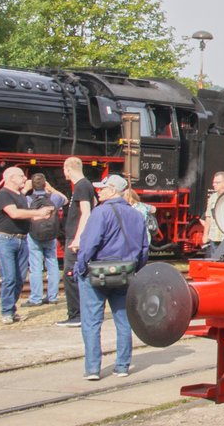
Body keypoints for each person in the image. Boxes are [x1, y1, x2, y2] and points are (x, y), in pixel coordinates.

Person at [75, 174, 150, 380]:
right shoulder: (137, 215)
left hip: (98, 273)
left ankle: (92, 368)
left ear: (113, 191)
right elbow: (144, 249)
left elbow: (89, 245)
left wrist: (81, 268)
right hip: (126, 274)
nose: (99, 192)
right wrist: (134, 268)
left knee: (92, 322)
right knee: (124, 321)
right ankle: (122, 366)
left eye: (103, 189)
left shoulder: (100, 213)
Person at [0, 166, 54, 324]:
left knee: (19, 278)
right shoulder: (3, 194)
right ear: (11, 178)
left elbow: (25, 217)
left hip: (21, 238)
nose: (24, 179)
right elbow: (14, 213)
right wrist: (38, 213)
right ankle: (6, 311)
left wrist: (45, 215)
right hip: (5, 239)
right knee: (9, 277)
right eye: (21, 176)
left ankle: (11, 310)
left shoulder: (20, 195)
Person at [58, 157, 97, 327]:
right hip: (76, 235)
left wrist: (78, 237)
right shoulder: (86, 185)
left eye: (64, 170)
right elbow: (95, 202)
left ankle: (76, 315)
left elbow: (86, 212)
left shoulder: (81, 185)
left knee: (70, 274)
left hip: (75, 236)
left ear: (67, 169)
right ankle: (80, 313)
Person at [24, 172, 67, 306]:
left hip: (34, 234)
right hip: (50, 234)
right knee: (52, 263)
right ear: (45, 184)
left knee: (36, 266)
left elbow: (17, 200)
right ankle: (52, 296)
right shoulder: (54, 198)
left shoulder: (28, 199)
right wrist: (51, 188)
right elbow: (65, 199)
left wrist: (25, 189)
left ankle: (36, 298)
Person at [200, 171, 224, 258]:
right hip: (214, 236)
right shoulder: (212, 197)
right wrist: (205, 235)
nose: (213, 184)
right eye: (213, 182)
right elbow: (208, 217)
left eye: (217, 182)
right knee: (214, 259)